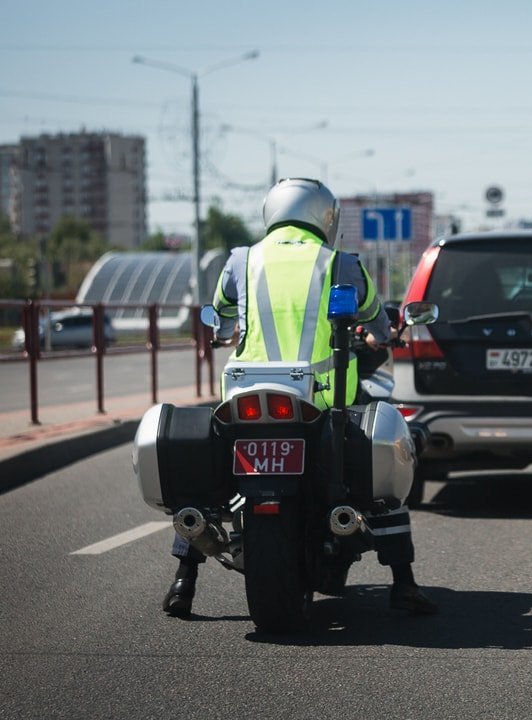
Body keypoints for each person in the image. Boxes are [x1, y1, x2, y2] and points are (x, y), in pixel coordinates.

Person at [161, 177, 436, 618]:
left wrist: (226, 331)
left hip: (245, 396)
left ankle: (183, 579)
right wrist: (385, 335)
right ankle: (403, 582)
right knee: (379, 467)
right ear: (327, 218)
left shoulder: (240, 261)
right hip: (324, 400)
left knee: (208, 486)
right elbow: (374, 319)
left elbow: (222, 316)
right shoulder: (341, 263)